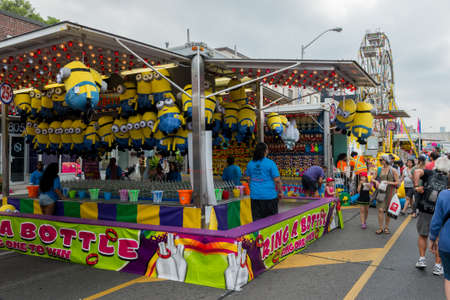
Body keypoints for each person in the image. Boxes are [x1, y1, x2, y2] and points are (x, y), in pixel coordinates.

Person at [414, 156, 450, 275]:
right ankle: (438, 266)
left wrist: (416, 186)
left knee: (422, 235)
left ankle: (422, 259)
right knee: (439, 239)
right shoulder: (448, 178)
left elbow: (417, 171)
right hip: (442, 212)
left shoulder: (430, 173)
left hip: (425, 208)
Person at [245, 142, 283, 221]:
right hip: (269, 197)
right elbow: (277, 181)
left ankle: (258, 234)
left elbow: (248, 179)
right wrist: (280, 192)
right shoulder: (270, 163)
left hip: (255, 197)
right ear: (265, 151)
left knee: (257, 222)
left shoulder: (250, 164)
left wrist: (253, 189)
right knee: (271, 222)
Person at [429, 178, 450, 299]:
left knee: (449, 277)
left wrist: (432, 239)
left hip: (447, 243)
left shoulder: (444, 195)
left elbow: (436, 221)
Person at [372, 154, 400, 235]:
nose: (380, 161)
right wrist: (376, 182)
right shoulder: (379, 169)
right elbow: (372, 178)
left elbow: (398, 182)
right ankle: (380, 228)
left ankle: (386, 227)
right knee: (380, 210)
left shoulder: (393, 170)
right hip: (381, 191)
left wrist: (388, 182)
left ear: (386, 160)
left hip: (390, 191)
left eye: (381, 160)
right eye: (380, 160)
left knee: (388, 210)